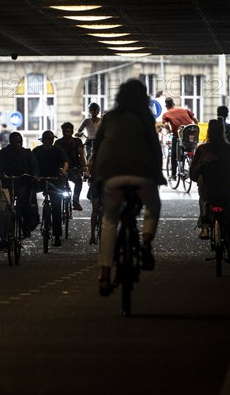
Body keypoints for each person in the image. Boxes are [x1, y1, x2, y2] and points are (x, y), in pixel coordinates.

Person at [91, 79, 165, 297]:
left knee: (109, 221)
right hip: (142, 178)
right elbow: (155, 149)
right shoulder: (145, 119)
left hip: (111, 178)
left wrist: (96, 177)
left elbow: (97, 148)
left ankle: (104, 275)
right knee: (153, 206)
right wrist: (157, 175)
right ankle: (146, 242)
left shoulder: (109, 118)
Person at [190, 119, 230, 263]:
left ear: (208, 132)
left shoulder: (202, 149)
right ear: (223, 132)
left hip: (208, 190)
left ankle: (204, 225)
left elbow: (192, 175)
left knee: (203, 198)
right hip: (227, 190)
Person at [0, 132, 39, 252]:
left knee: (24, 203)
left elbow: (34, 165)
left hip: (23, 182)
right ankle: (3, 239)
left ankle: (25, 226)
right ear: (10, 142)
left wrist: (35, 175)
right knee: (4, 211)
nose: (17, 145)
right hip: (7, 183)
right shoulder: (3, 153)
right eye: (15, 142)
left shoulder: (27, 153)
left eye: (19, 142)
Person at [33, 130, 69, 247]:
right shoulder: (37, 151)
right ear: (43, 140)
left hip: (55, 180)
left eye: (51, 139)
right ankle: (33, 219)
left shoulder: (58, 150)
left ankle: (57, 235)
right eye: (48, 139)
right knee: (30, 195)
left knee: (56, 206)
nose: (50, 141)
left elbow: (65, 161)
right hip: (41, 179)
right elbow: (32, 163)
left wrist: (63, 171)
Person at [162, 97, 199, 179]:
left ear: (166, 105)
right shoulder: (184, 110)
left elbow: (165, 125)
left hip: (179, 137)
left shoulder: (166, 114)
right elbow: (195, 120)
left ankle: (173, 175)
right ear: (173, 103)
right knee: (189, 150)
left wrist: (169, 130)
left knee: (174, 154)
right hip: (191, 136)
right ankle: (189, 165)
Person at [55, 122, 86, 211]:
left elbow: (81, 155)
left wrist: (83, 166)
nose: (66, 133)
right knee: (62, 185)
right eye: (64, 132)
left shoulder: (77, 141)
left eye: (68, 131)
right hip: (61, 169)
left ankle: (75, 201)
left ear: (72, 131)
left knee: (79, 181)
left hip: (74, 168)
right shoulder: (58, 142)